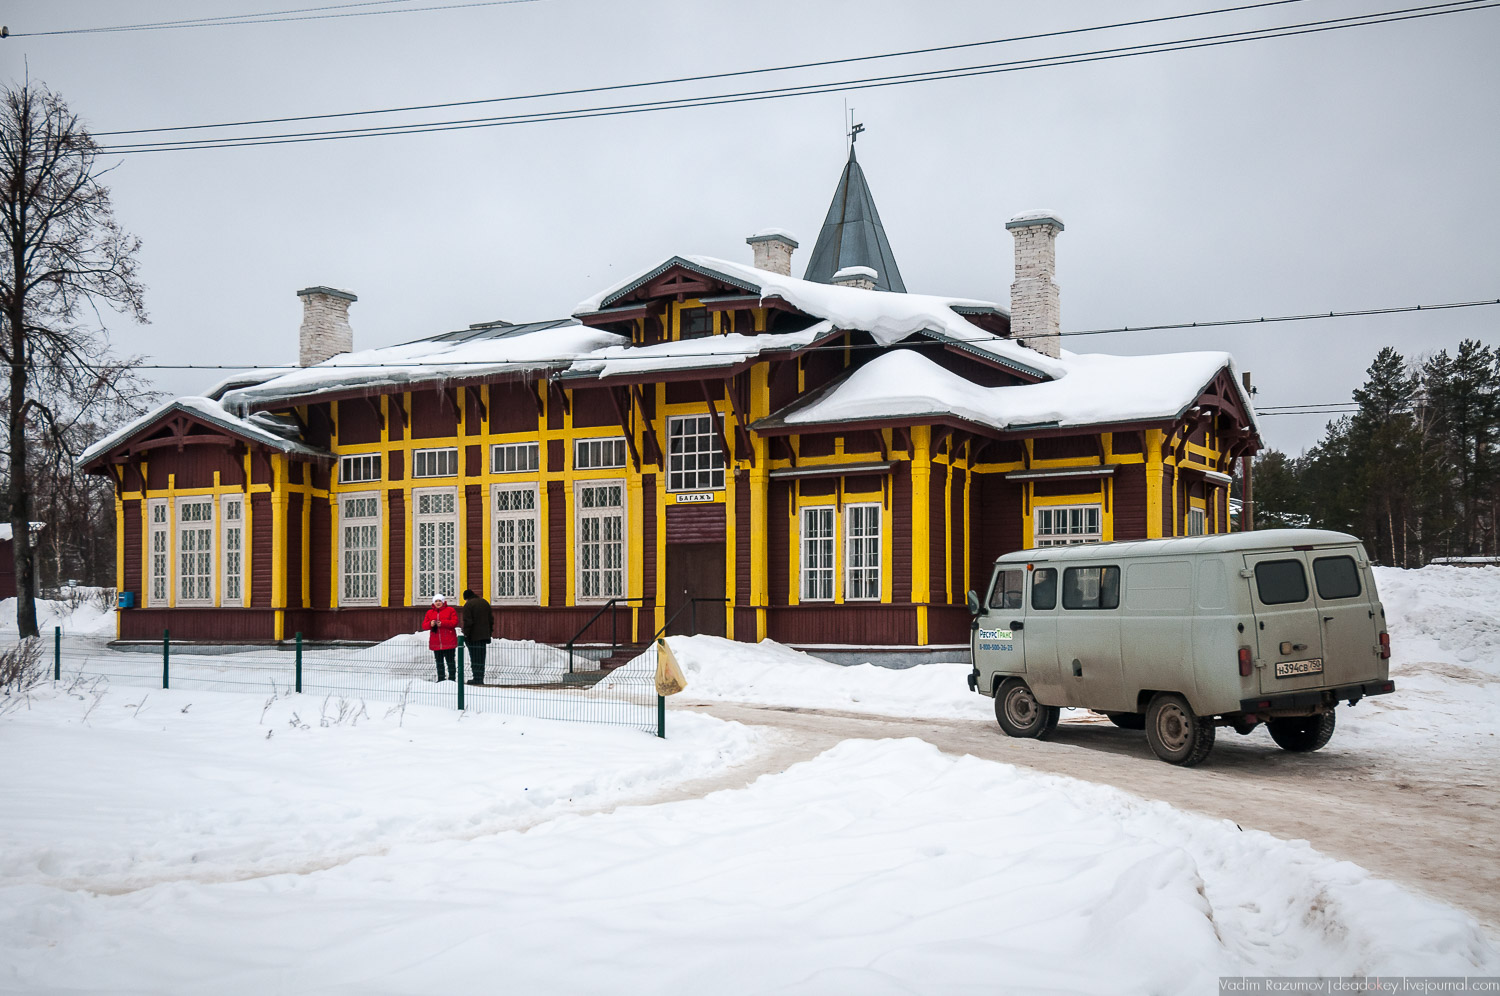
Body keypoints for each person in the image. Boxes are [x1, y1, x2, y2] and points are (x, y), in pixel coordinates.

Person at [421, 594, 459, 681]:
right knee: (439, 662)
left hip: (448, 640)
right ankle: (441, 678)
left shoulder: (450, 610)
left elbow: (454, 622)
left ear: (443, 602)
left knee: (450, 661)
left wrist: (443, 623)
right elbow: (424, 625)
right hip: (436, 641)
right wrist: (430, 624)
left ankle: (452, 678)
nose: (438, 603)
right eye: (436, 601)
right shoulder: (429, 612)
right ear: (433, 603)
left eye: (439, 601)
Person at [460, 588, 493, 686]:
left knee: (474, 658)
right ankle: (480, 678)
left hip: (473, 637)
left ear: (466, 598)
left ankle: (476, 678)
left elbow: (468, 622)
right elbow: (491, 619)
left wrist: (466, 634)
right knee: (481, 658)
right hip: (484, 636)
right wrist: (489, 633)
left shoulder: (468, 605)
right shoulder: (484, 602)